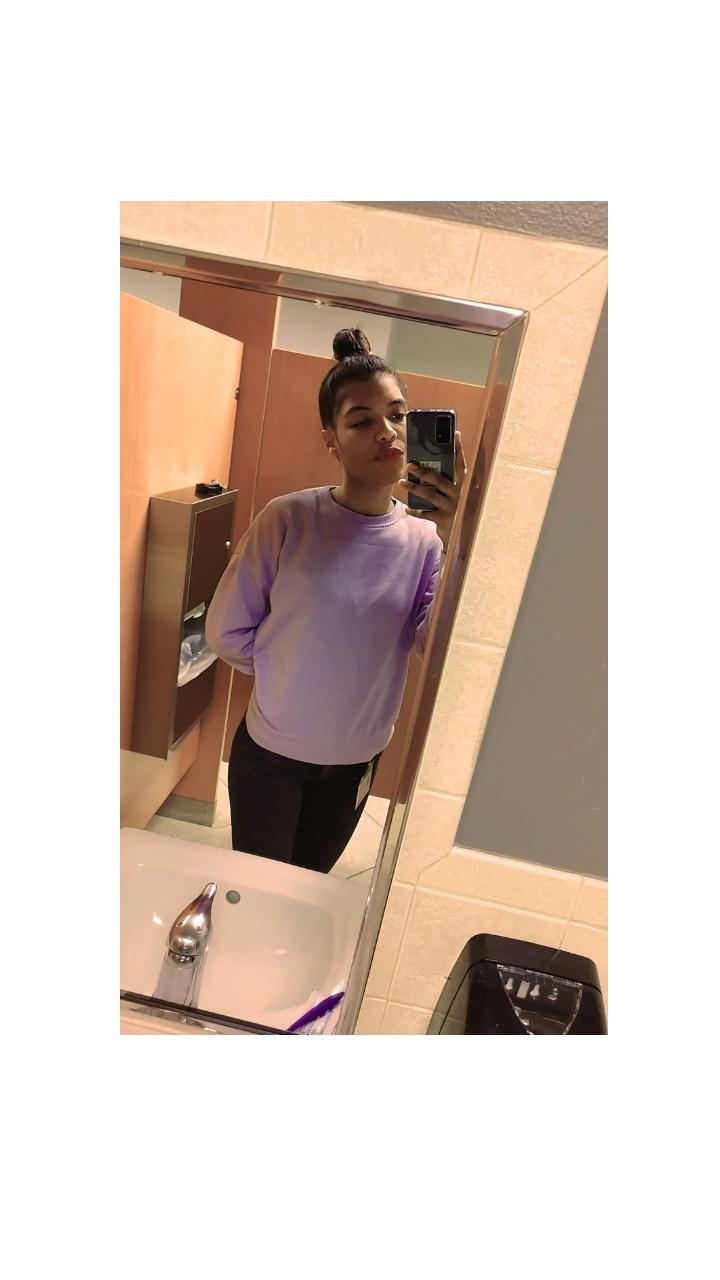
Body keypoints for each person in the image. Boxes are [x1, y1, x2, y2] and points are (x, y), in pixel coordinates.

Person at [205, 328, 466, 874]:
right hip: (272, 757)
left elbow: (433, 646)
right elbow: (225, 632)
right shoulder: (289, 518)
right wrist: (291, 670)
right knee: (259, 891)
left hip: (355, 763)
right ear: (332, 440)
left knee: (309, 890)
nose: (387, 432)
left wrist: (457, 539)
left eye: (397, 415)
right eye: (361, 421)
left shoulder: (426, 541)